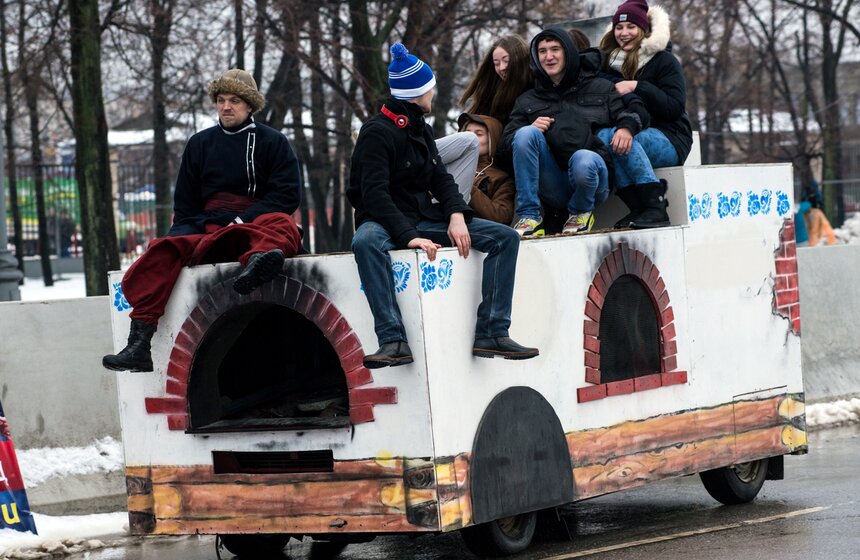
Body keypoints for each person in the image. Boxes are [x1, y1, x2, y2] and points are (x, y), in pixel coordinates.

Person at [349, 43, 538, 368]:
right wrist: (409, 236)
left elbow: (440, 178)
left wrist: (456, 215)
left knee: (506, 239)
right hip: (384, 218)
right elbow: (374, 196)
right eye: (430, 88)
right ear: (417, 92)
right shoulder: (375, 132)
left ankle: (492, 331)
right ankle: (393, 340)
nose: (433, 93)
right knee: (364, 242)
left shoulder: (420, 128)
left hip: (422, 215)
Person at [103, 69, 303, 373]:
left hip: (256, 222)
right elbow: (185, 204)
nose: (226, 106)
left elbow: (286, 195)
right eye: (221, 100)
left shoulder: (272, 141)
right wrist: (183, 237)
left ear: (249, 105)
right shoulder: (199, 143)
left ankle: (260, 264)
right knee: (163, 250)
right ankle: (139, 345)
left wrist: (242, 219)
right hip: (209, 227)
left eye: (234, 100)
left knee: (282, 226)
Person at [500, 27, 648, 237]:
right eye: (542, 51)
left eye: (555, 49)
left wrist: (626, 128)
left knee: (583, 158)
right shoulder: (527, 100)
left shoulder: (600, 87)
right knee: (524, 134)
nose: (548, 57)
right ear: (535, 56)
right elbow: (504, 147)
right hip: (552, 184)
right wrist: (531, 128)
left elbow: (634, 112)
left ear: (568, 52)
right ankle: (529, 217)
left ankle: (581, 213)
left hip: (592, 178)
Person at [598, 0, 694, 228]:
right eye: (619, 28)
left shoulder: (665, 61)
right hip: (629, 128)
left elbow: (674, 107)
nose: (624, 33)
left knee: (627, 141)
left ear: (643, 29)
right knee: (605, 137)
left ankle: (656, 207)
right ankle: (638, 209)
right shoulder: (610, 64)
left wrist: (636, 86)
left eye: (631, 27)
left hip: (670, 135)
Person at [457, 112, 516, 225]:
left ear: (492, 140)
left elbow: (501, 216)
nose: (470, 138)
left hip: (474, 232)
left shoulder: (502, 179)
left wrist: (467, 186)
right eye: (467, 133)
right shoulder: (447, 166)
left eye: (478, 134)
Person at [459, 35, 532, 125]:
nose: (501, 67)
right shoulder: (491, 95)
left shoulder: (539, 87)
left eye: (506, 60)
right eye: (496, 63)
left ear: (520, 60)